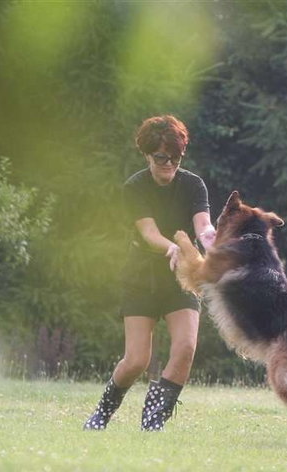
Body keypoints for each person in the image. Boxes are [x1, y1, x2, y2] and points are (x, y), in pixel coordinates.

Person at [84, 115, 216, 431]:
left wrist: (212, 238)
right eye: (161, 157)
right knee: (136, 361)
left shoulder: (193, 184)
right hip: (142, 276)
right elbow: (149, 233)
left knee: (185, 348)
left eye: (175, 157)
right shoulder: (135, 187)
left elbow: (203, 224)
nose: (168, 163)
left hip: (182, 275)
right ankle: (102, 413)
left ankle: (154, 417)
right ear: (146, 154)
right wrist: (171, 247)